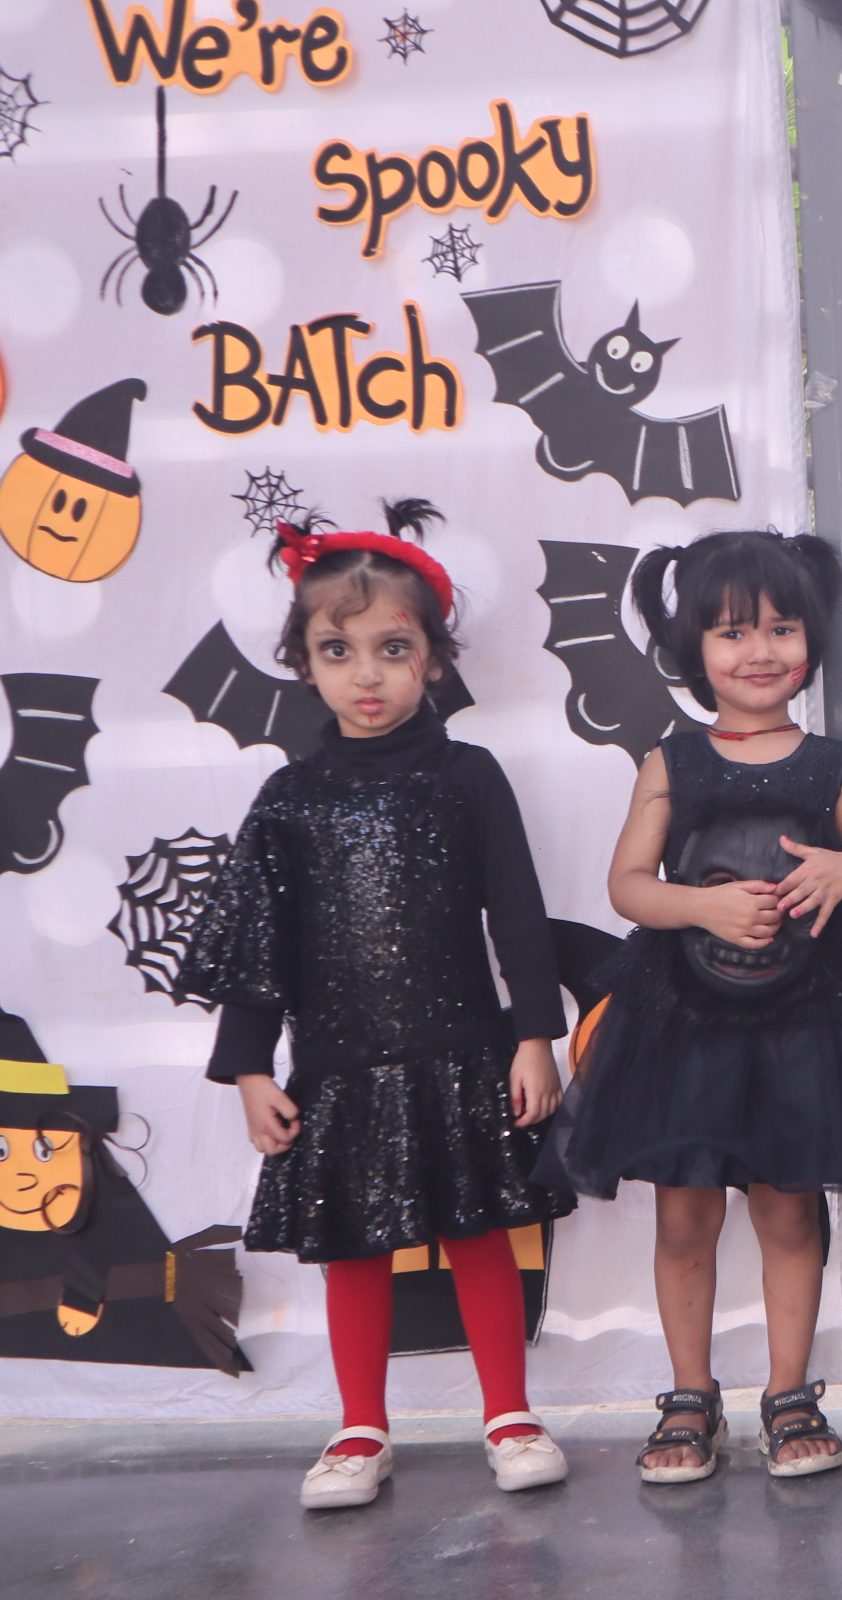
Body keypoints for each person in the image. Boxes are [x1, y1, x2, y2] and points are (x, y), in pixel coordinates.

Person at [183, 500, 574, 1511]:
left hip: (464, 1051)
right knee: (351, 1247)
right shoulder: (289, 797)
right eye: (338, 650)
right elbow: (259, 946)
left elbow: (517, 914)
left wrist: (535, 1036)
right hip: (338, 1064)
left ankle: (510, 1414)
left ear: (432, 661)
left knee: (481, 1232)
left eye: (392, 649)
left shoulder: (469, 775)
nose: (367, 675)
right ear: (302, 662)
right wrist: (252, 1069)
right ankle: (360, 1426)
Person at [543, 530, 842, 1484]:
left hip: (805, 1022)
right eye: (732, 632)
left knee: (790, 1214)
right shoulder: (672, 761)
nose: (760, 650)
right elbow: (629, 886)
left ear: (811, 640)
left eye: (781, 628)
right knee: (685, 1219)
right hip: (687, 1022)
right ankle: (689, 1394)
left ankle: (790, 1393)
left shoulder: (833, 765)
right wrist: (704, 907)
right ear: (693, 649)